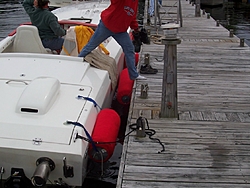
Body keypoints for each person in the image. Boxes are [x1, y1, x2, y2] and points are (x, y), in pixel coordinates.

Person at [78, 0, 146, 80]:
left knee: (129, 49)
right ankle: (77, 62)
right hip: (106, 26)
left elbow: (132, 16)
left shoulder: (135, 2)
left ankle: (134, 75)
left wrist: (136, 29)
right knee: (91, 45)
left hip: (121, 31)